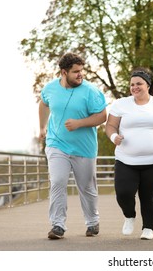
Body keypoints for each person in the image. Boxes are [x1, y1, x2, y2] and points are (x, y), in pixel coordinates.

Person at [39, 52, 107, 240]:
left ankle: (92, 222)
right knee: (58, 181)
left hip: (84, 148)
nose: (80, 75)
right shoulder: (50, 89)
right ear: (63, 72)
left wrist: (79, 123)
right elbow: (43, 104)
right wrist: (42, 128)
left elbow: (102, 116)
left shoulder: (91, 91)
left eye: (81, 71)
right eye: (76, 72)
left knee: (86, 187)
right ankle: (58, 225)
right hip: (56, 144)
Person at [105, 67, 153, 240]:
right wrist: (114, 137)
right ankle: (129, 216)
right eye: (132, 84)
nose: (134, 87)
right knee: (123, 193)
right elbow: (110, 126)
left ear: (148, 85)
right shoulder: (120, 104)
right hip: (126, 159)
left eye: (139, 83)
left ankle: (148, 228)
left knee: (148, 196)